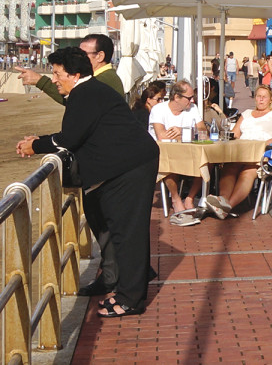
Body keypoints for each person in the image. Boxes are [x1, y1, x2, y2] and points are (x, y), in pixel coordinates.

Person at [16, 47, 159, 318]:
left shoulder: (85, 94)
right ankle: (126, 289)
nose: (54, 79)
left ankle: (131, 299)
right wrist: (40, 141)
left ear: (75, 74)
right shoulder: (87, 91)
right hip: (128, 165)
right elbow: (78, 133)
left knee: (128, 233)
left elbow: (69, 138)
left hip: (130, 168)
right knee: (122, 231)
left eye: (58, 74)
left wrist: (35, 145)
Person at [205, 84, 272, 219]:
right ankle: (223, 201)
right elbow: (235, 134)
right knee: (228, 168)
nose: (260, 99)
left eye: (264, 97)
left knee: (247, 172)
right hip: (241, 152)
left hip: (260, 154)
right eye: (258, 96)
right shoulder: (247, 113)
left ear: (270, 99)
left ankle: (228, 206)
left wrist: (259, 145)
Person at [149, 80, 206, 215]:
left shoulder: (192, 108)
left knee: (206, 161)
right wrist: (190, 134)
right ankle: (175, 198)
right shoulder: (159, 109)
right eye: (189, 97)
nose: (192, 100)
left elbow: (204, 132)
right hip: (163, 154)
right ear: (176, 97)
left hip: (188, 153)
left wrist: (184, 131)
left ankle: (190, 198)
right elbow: (162, 136)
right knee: (169, 162)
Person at [16, 33, 124, 103]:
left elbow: (73, 98)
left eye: (83, 54)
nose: (78, 57)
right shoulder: (103, 77)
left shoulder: (103, 80)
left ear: (100, 56)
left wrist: (39, 80)